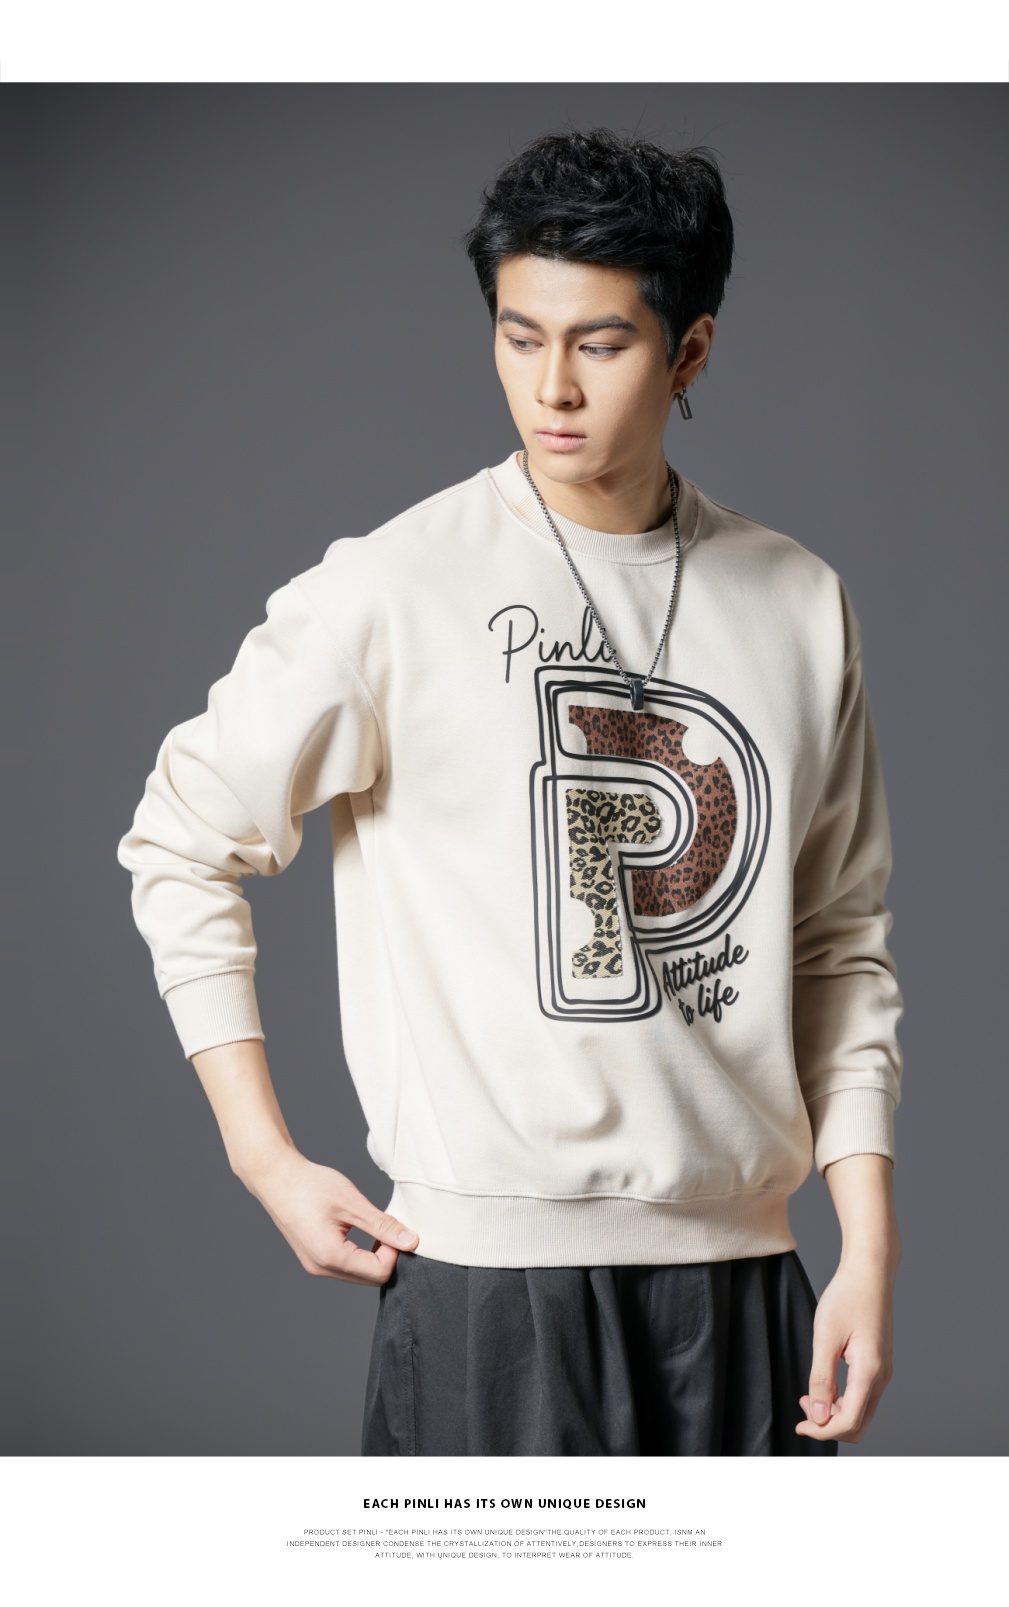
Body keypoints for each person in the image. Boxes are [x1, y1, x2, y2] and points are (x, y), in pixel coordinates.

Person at [116, 127, 903, 1457]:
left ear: (689, 351)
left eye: (601, 343)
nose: (552, 387)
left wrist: (867, 1250)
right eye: (518, 336)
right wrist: (264, 1158)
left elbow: (836, 943)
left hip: (744, 1284)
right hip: (490, 1288)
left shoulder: (797, 602)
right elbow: (180, 839)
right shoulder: (394, 587)